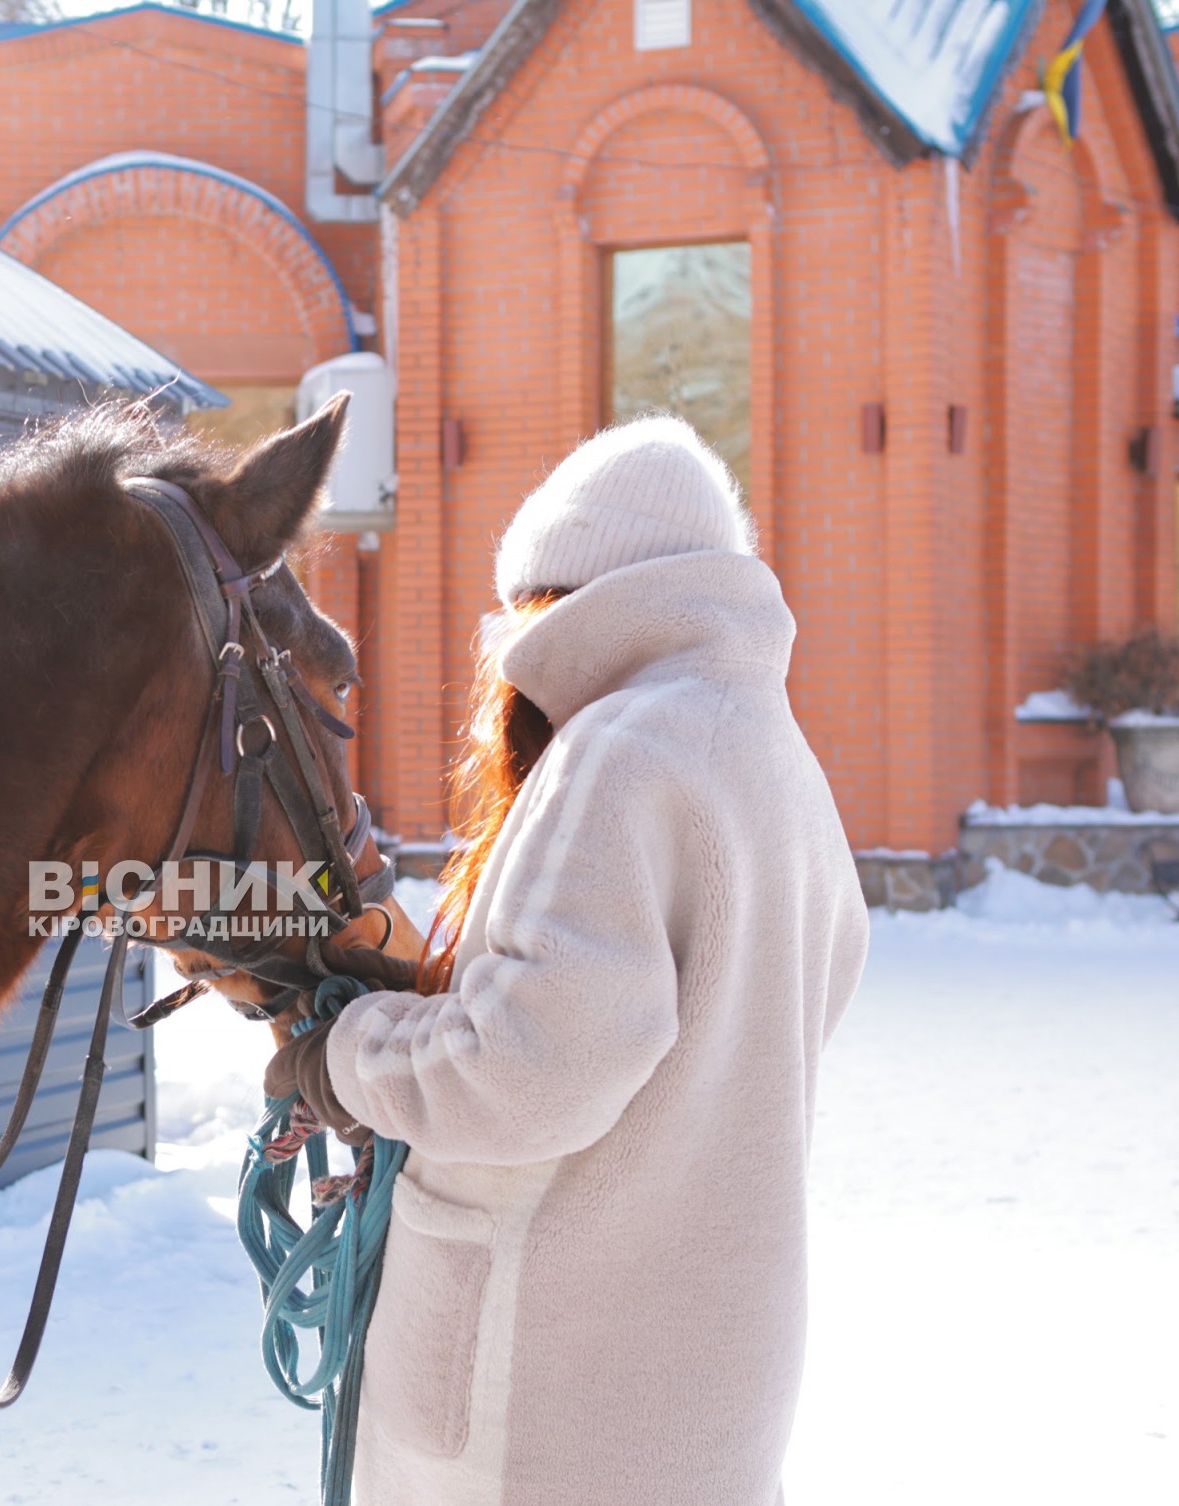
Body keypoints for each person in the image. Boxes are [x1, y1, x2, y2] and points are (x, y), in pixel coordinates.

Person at [265, 415, 869, 1506]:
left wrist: (342, 1058)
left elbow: (526, 1068)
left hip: (536, 1398)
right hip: (702, 1384)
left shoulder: (618, 750)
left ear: (561, 600)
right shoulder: (779, 760)